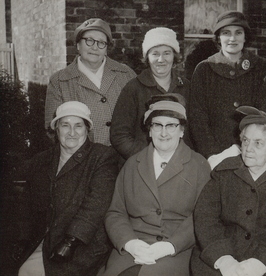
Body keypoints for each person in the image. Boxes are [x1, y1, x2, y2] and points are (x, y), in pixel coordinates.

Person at [191, 106, 266, 276]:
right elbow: (205, 217)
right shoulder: (223, 172)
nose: (248, 148)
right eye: (245, 141)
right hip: (224, 256)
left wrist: (261, 263)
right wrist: (224, 259)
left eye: (258, 143)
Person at [99, 96, 211, 276]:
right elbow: (115, 212)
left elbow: (203, 217)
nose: (163, 133)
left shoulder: (199, 166)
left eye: (171, 125)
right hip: (134, 248)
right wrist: (130, 243)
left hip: (177, 249)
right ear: (149, 131)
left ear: (181, 131)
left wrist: (169, 246)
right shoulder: (132, 164)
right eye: (157, 125)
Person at [10, 101, 119, 276]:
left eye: (78, 126)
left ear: (87, 129)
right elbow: (26, 203)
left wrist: (71, 241)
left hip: (83, 243)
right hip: (46, 239)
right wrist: (22, 238)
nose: (72, 132)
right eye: (65, 125)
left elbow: (96, 204)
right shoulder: (42, 160)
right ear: (56, 129)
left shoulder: (102, 157)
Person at [188, 10, 266, 169]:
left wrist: (248, 149)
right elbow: (197, 117)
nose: (232, 38)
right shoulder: (204, 69)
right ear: (218, 38)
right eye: (226, 33)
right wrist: (212, 155)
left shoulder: (262, 68)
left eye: (238, 32)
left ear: (245, 37)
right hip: (214, 158)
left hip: (252, 155)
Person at [45, 18, 136, 146]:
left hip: (125, 159)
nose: (94, 47)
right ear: (78, 45)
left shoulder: (126, 74)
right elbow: (52, 129)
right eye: (89, 40)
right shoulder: (59, 81)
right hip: (83, 161)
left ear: (106, 48)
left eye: (101, 43)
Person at [110, 27, 191, 162]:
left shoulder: (186, 87)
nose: (161, 59)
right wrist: (146, 158)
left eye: (166, 53)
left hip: (181, 163)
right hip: (144, 164)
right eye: (155, 53)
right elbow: (119, 135)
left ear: (174, 56)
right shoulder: (133, 88)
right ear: (147, 57)